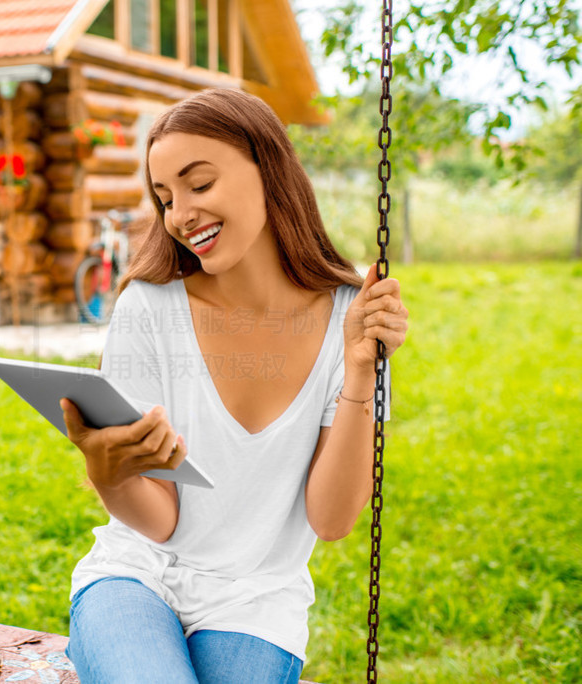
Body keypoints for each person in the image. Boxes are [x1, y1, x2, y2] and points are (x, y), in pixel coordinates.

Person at [58, 88, 409, 683]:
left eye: (199, 185)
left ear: (269, 170)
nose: (180, 214)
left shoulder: (352, 315)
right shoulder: (149, 308)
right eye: (165, 198)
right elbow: (161, 521)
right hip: (135, 577)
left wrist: (358, 372)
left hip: (257, 603)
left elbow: (332, 520)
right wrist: (106, 472)